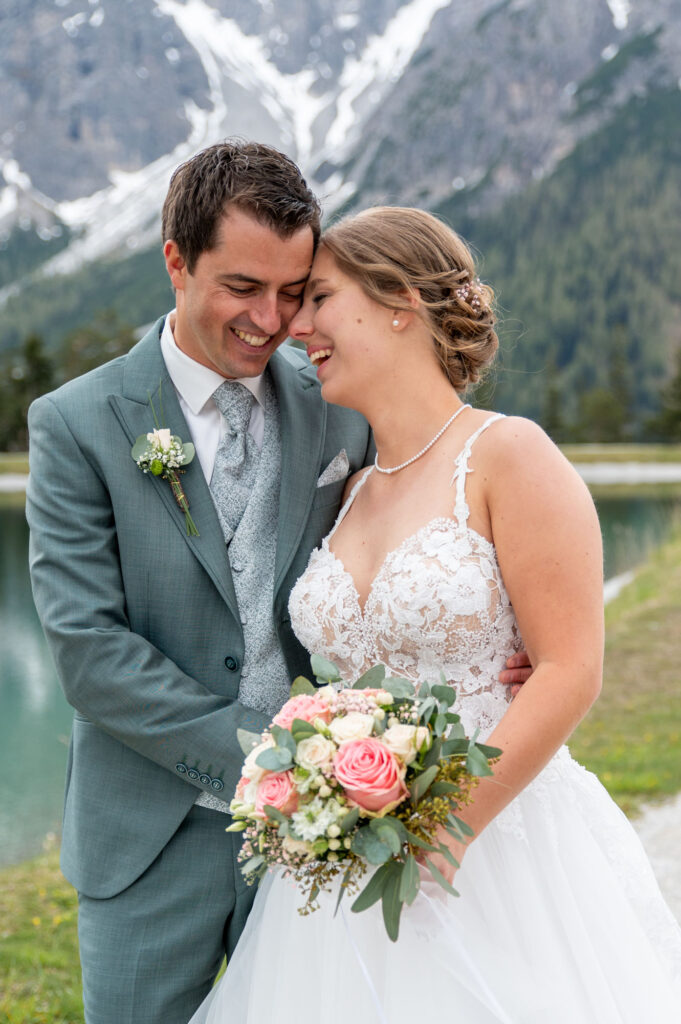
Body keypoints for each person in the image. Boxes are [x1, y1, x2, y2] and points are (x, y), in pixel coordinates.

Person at [190, 207, 681, 1023]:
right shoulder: (345, 491)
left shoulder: (508, 455)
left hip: (495, 844)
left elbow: (569, 668)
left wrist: (443, 830)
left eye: (318, 298)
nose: (295, 326)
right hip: (343, 851)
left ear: (399, 302)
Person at [25, 140, 377, 1024]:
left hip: (314, 832)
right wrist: (268, 757)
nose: (271, 319)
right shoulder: (74, 424)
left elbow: (385, 569)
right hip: (146, 836)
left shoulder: (341, 410)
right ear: (176, 261)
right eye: (243, 287)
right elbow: (88, 654)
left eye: (293, 293)